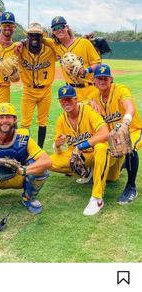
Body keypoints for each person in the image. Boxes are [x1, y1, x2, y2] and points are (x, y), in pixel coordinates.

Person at [50, 85, 110, 216]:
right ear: (59, 102)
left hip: (100, 154)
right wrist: (58, 146)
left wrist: (80, 146)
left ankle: (97, 198)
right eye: (62, 100)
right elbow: (59, 152)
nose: (66, 102)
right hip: (82, 157)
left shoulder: (88, 111)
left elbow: (105, 133)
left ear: (76, 99)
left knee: (102, 151)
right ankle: (88, 172)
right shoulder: (61, 120)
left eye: (69, 99)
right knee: (48, 162)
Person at [91, 63, 142, 204]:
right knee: (111, 177)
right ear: (94, 81)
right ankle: (121, 165)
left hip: (132, 129)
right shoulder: (94, 95)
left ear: (111, 79)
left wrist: (126, 121)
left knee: (130, 148)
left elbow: (129, 105)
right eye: (99, 78)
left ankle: (131, 187)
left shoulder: (120, 90)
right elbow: (81, 103)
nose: (102, 81)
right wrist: (89, 101)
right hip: (113, 137)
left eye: (105, 78)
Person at [44, 16, 101, 101]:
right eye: (55, 28)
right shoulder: (55, 45)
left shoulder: (84, 43)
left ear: (67, 27)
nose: (59, 30)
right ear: (53, 31)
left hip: (89, 89)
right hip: (70, 92)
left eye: (61, 26)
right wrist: (21, 43)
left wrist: (85, 71)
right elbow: (38, 38)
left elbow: (97, 63)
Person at [18, 22, 56, 148]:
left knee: (43, 122)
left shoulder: (50, 50)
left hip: (46, 90)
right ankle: (24, 150)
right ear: (27, 36)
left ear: (42, 37)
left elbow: (59, 44)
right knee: (25, 123)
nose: (34, 38)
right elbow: (8, 46)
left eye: (37, 35)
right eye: (31, 35)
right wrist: (21, 42)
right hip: (28, 90)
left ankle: (39, 149)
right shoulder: (20, 49)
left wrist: (44, 39)